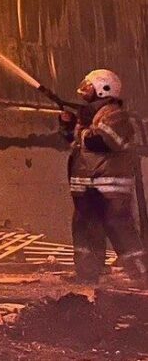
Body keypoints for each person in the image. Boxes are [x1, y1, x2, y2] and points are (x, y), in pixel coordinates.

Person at [58, 69, 147, 285]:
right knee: (85, 227)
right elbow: (78, 144)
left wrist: (81, 129)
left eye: (89, 87)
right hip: (89, 184)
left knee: (119, 227)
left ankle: (141, 274)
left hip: (109, 186)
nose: (84, 92)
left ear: (103, 89)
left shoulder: (116, 114)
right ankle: (87, 274)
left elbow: (102, 141)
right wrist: (68, 126)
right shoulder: (91, 116)